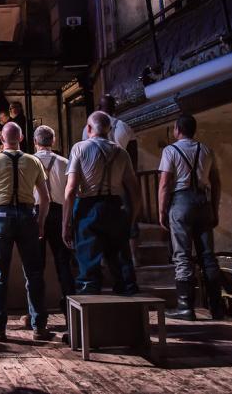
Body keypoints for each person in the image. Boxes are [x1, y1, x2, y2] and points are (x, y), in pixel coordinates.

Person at [0, 122, 52, 341]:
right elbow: (45, 198)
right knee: (34, 273)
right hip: (28, 217)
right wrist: (41, 223)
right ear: (21, 138)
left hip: (1, 217)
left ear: (2, 139)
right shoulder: (33, 161)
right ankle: (39, 326)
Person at [63, 111, 141, 296]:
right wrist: (132, 218)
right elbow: (135, 190)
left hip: (87, 207)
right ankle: (129, 300)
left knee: (88, 262)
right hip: (115, 206)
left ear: (89, 128)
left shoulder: (79, 148)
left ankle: (90, 301)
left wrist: (66, 223)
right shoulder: (121, 152)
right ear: (110, 129)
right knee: (121, 261)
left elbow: (71, 189)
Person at [158, 114, 224, 321]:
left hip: (181, 202)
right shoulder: (206, 150)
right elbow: (216, 182)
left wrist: (162, 211)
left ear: (177, 129)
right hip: (203, 203)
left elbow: (165, 184)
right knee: (208, 256)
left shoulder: (170, 150)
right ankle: (217, 308)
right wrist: (214, 209)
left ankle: (186, 307)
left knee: (183, 256)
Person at [81, 94, 140, 265]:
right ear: (115, 108)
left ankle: (102, 259)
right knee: (128, 216)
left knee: (98, 219)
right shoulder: (125, 127)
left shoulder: (88, 128)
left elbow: (87, 154)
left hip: (97, 181)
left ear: (99, 108)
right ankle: (133, 257)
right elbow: (133, 158)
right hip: (121, 178)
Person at [32, 125, 75, 308]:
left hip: (35, 213)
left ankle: (37, 310)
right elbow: (72, 193)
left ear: (35, 142)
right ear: (53, 140)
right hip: (59, 213)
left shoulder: (28, 161)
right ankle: (69, 308)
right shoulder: (65, 162)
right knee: (63, 262)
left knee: (36, 265)